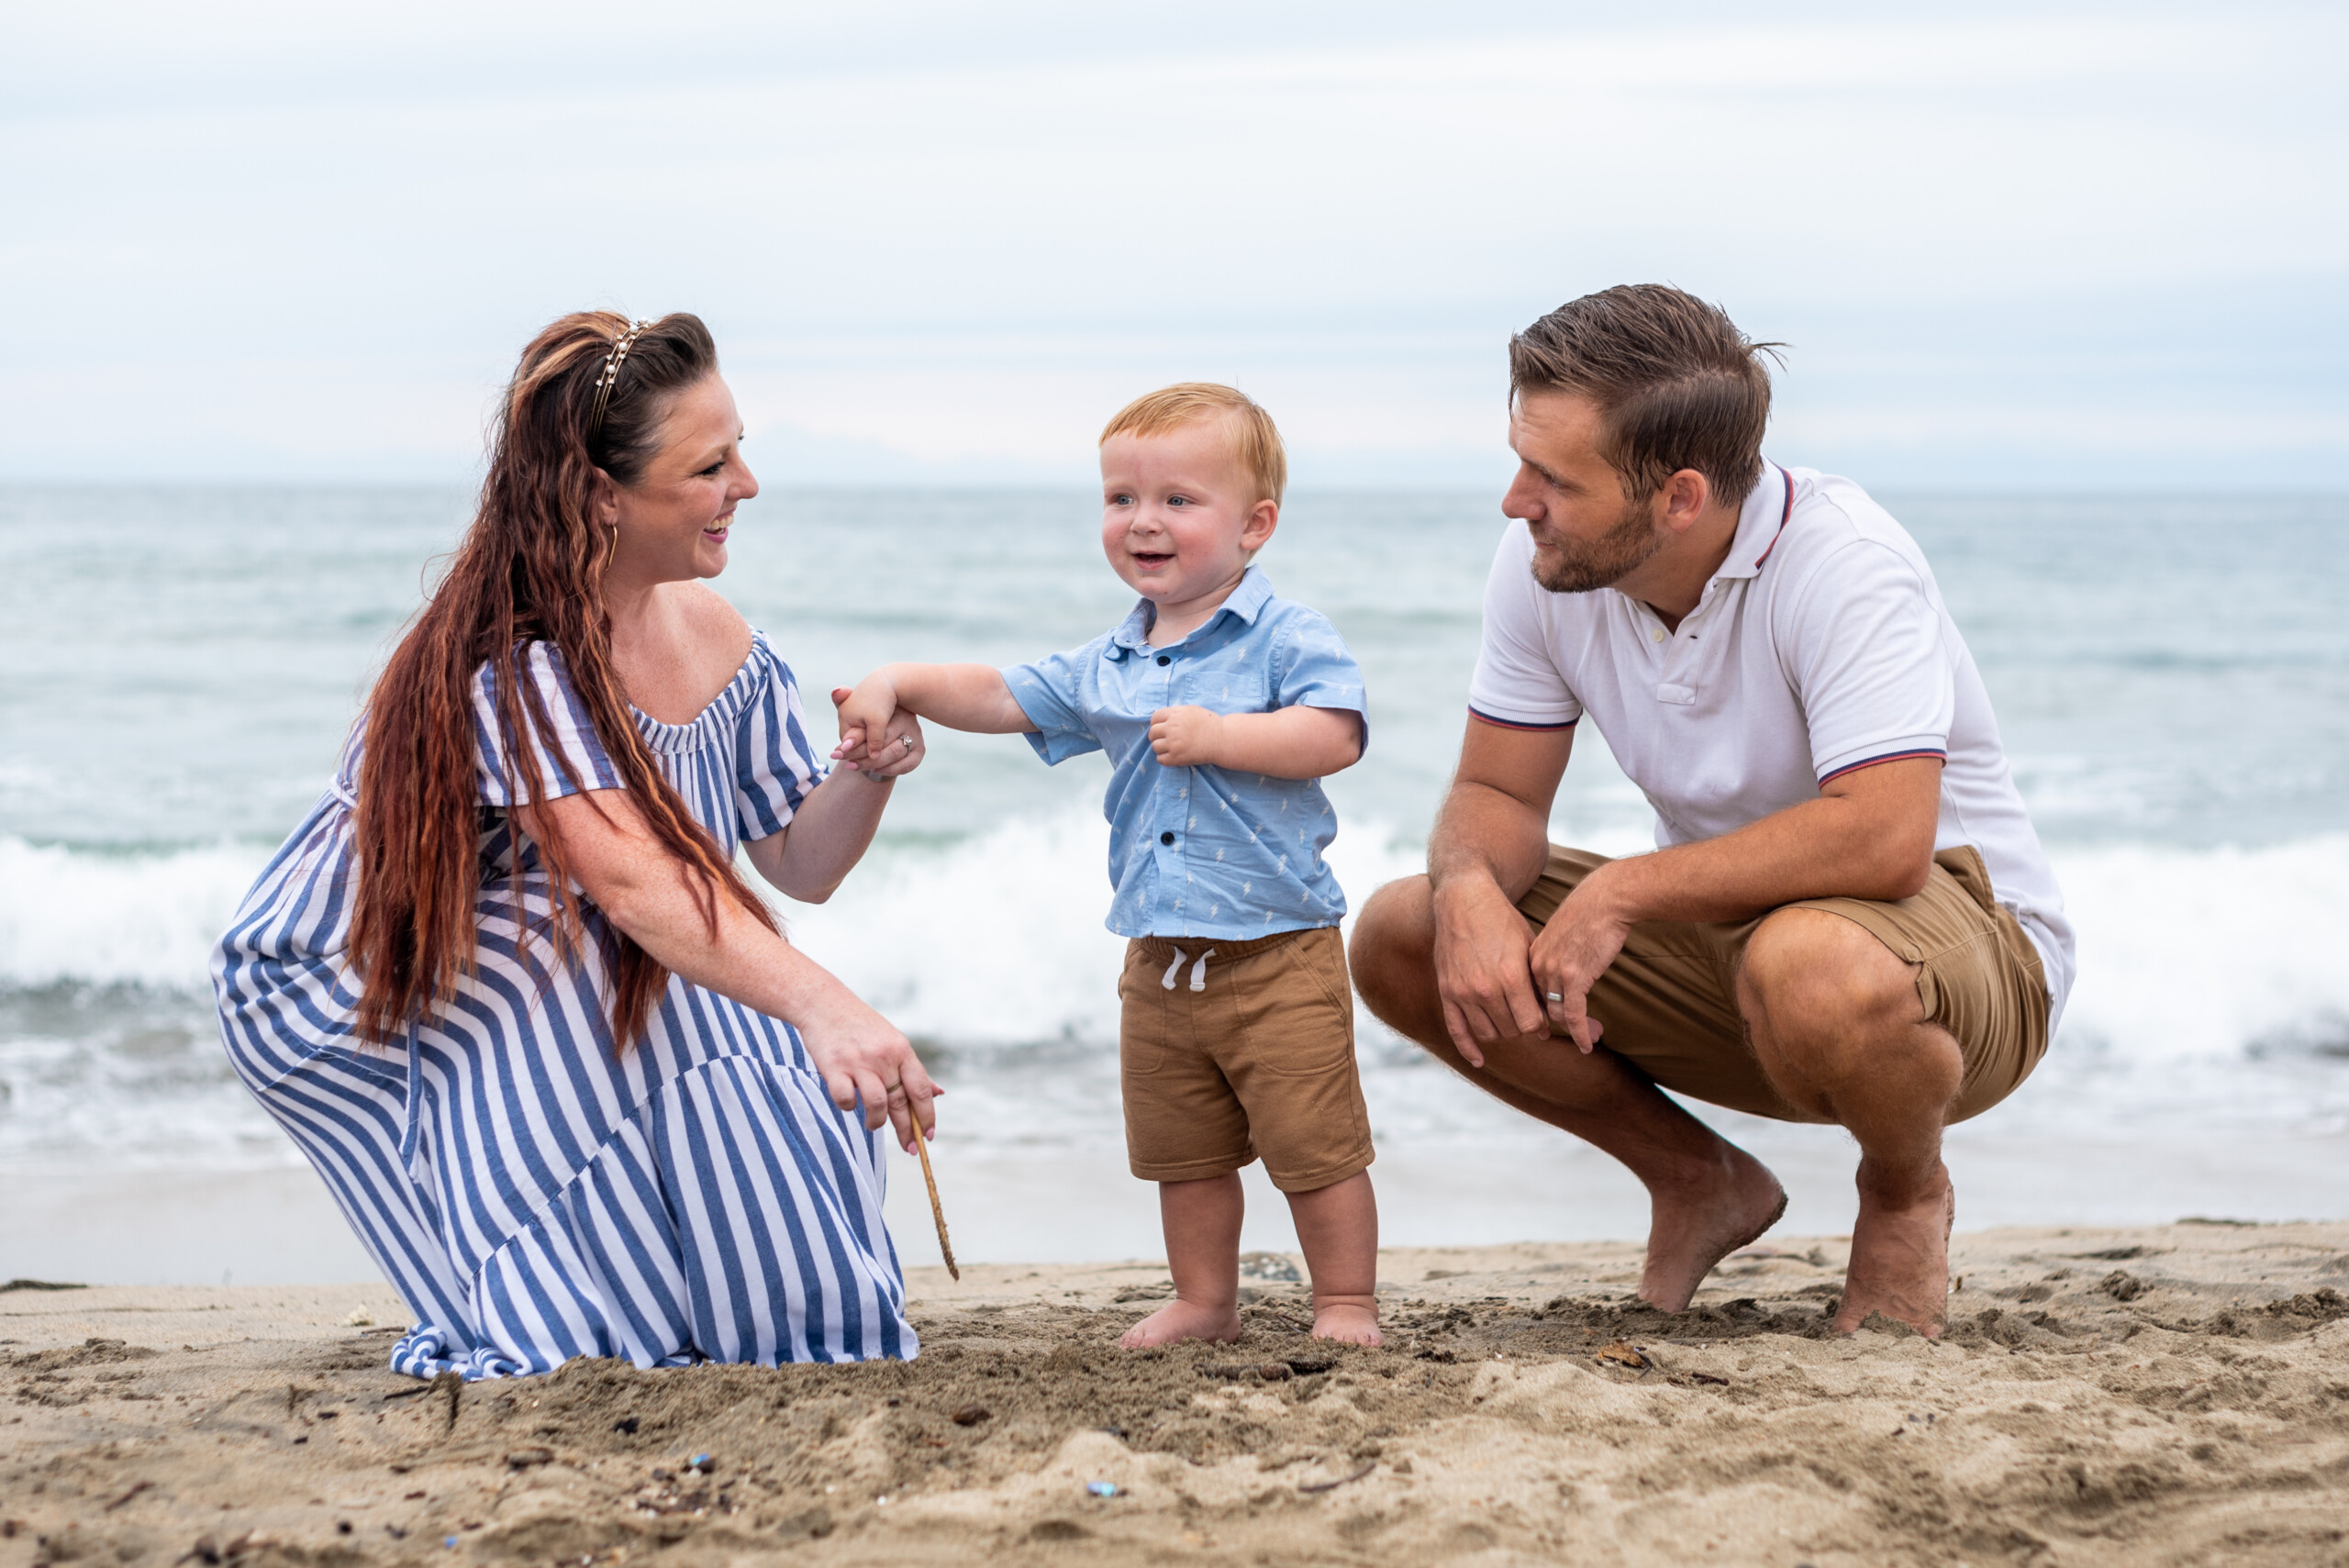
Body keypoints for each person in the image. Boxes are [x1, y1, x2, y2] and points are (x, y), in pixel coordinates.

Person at [214, 311, 940, 1379]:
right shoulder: (513, 656)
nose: (746, 482)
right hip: (343, 966)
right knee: (640, 959)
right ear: (602, 494)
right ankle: (566, 1313)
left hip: (559, 935)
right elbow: (633, 882)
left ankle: (763, 1304)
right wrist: (833, 1009)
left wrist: (865, 768)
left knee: (708, 983)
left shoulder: (713, 630)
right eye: (710, 463)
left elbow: (798, 863)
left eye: (740, 445)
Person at [1348, 286, 2074, 1337]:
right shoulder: (1548, 563)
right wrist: (1466, 885)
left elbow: (1883, 833)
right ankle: (1697, 1178)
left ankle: (1905, 1191)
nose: (1515, 501)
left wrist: (1624, 889)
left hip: (1961, 963)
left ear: (1678, 498)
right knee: (1403, 931)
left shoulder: (1842, 563)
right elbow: (1498, 791)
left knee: (1809, 961)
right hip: (1738, 960)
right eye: (1520, 460)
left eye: (1553, 478)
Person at [830, 384, 1380, 1346]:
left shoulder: (1287, 637)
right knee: (1182, 1151)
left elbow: (1333, 733)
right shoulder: (1109, 662)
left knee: (1315, 1144)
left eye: (1177, 499)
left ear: (1255, 525)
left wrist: (1222, 733)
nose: (1143, 520)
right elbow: (1002, 692)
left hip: (1279, 949)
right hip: (1158, 961)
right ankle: (1205, 1299)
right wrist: (899, 681)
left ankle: (1343, 1300)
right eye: (1121, 498)